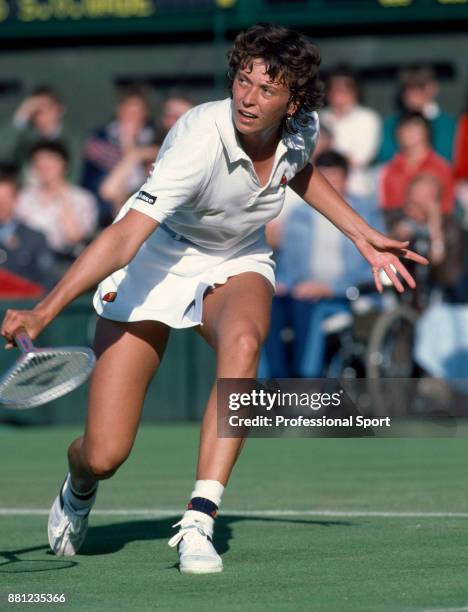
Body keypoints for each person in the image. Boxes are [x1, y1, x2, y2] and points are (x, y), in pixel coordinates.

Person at [0, 23, 427, 574]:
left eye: (267, 89)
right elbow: (125, 234)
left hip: (236, 259)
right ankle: (78, 483)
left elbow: (298, 170)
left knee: (245, 341)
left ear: (293, 100)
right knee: (105, 453)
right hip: (156, 256)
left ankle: (199, 519)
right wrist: (44, 308)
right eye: (243, 81)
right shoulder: (200, 137)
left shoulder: (303, 129)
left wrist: (360, 233)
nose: (248, 98)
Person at [263, 150, 384, 378]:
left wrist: (329, 288)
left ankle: (305, 382)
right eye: (323, 178)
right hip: (303, 290)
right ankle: (275, 382)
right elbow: (289, 260)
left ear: (346, 178)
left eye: (335, 178)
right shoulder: (299, 214)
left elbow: (370, 267)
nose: (329, 185)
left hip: (347, 294)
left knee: (308, 309)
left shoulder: (366, 212)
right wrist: (284, 283)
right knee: (270, 306)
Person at [81, 85, 157, 227]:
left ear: (145, 114)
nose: (131, 118)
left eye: (136, 113)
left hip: (145, 209)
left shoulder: (154, 138)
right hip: (103, 211)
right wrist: (130, 149)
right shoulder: (100, 138)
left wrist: (132, 148)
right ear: (118, 111)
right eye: (127, 112)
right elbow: (105, 190)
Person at [15, 141, 98, 270]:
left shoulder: (83, 198)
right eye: (39, 164)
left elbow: (75, 237)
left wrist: (62, 198)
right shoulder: (25, 196)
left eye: (50, 163)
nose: (44, 168)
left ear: (64, 164)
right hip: (25, 258)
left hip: (61, 260)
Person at [319, 65, 381, 198]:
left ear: (356, 91)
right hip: (322, 191)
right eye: (334, 88)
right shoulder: (319, 117)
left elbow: (361, 158)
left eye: (345, 88)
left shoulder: (368, 118)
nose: (339, 92)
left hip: (356, 190)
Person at [379, 111, 455, 215]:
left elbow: (446, 207)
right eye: (403, 128)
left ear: (426, 131)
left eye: (414, 126)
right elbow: (387, 206)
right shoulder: (389, 169)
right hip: (396, 224)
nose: (407, 132)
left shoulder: (441, 167)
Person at [378, 65, 456, 164]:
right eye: (406, 87)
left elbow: (448, 158)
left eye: (420, 86)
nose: (411, 93)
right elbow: (386, 157)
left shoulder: (450, 125)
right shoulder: (390, 125)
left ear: (433, 88)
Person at [0, 164, 58, 292]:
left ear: (16, 200)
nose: (1, 204)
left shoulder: (34, 238)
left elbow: (48, 280)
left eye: (6, 198)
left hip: (21, 305)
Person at [8, 86, 82, 183]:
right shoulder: (24, 138)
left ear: (60, 109)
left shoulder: (74, 140)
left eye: (48, 107)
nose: (43, 113)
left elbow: (76, 174)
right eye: (36, 109)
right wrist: (21, 116)